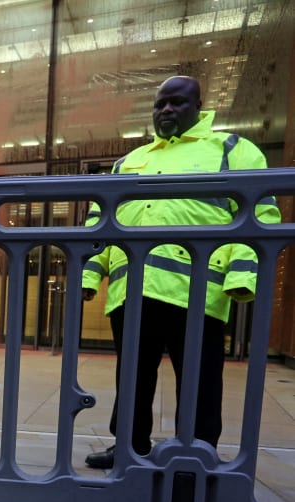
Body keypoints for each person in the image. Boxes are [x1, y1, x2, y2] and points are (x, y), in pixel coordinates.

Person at [82, 76, 281, 470]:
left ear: (199, 107)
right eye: (160, 105)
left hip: (196, 291)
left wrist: (241, 276)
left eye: (176, 102)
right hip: (133, 288)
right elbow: (99, 221)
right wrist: (90, 274)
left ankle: (197, 451)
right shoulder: (130, 161)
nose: (166, 110)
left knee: (200, 380)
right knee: (133, 377)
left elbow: (259, 214)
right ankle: (128, 446)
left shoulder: (232, 150)